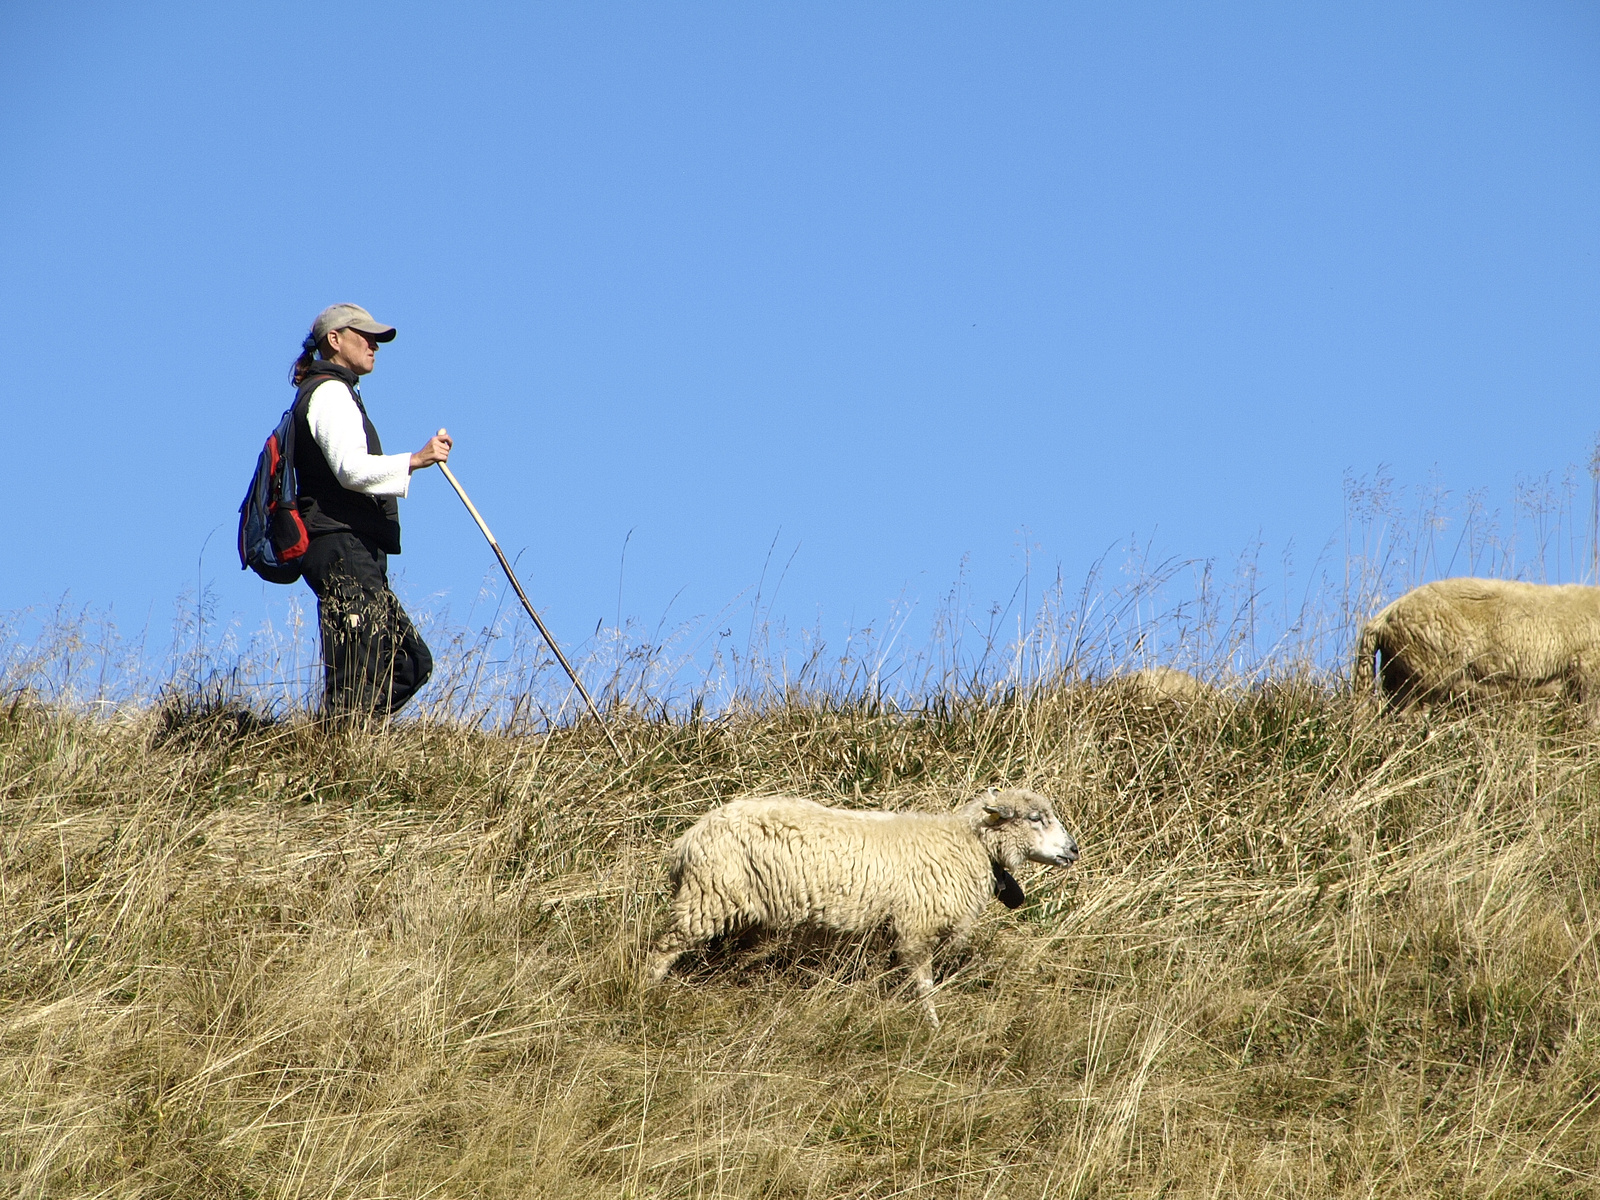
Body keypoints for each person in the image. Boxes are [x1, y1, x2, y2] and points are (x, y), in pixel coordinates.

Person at [287, 303, 453, 719]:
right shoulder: (328, 392)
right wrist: (416, 459)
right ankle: (339, 757)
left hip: (350, 545)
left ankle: (353, 743)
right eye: (364, 335)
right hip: (337, 543)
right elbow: (349, 469)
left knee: (408, 663)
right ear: (334, 339)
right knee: (356, 672)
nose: (374, 344)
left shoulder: (336, 391)